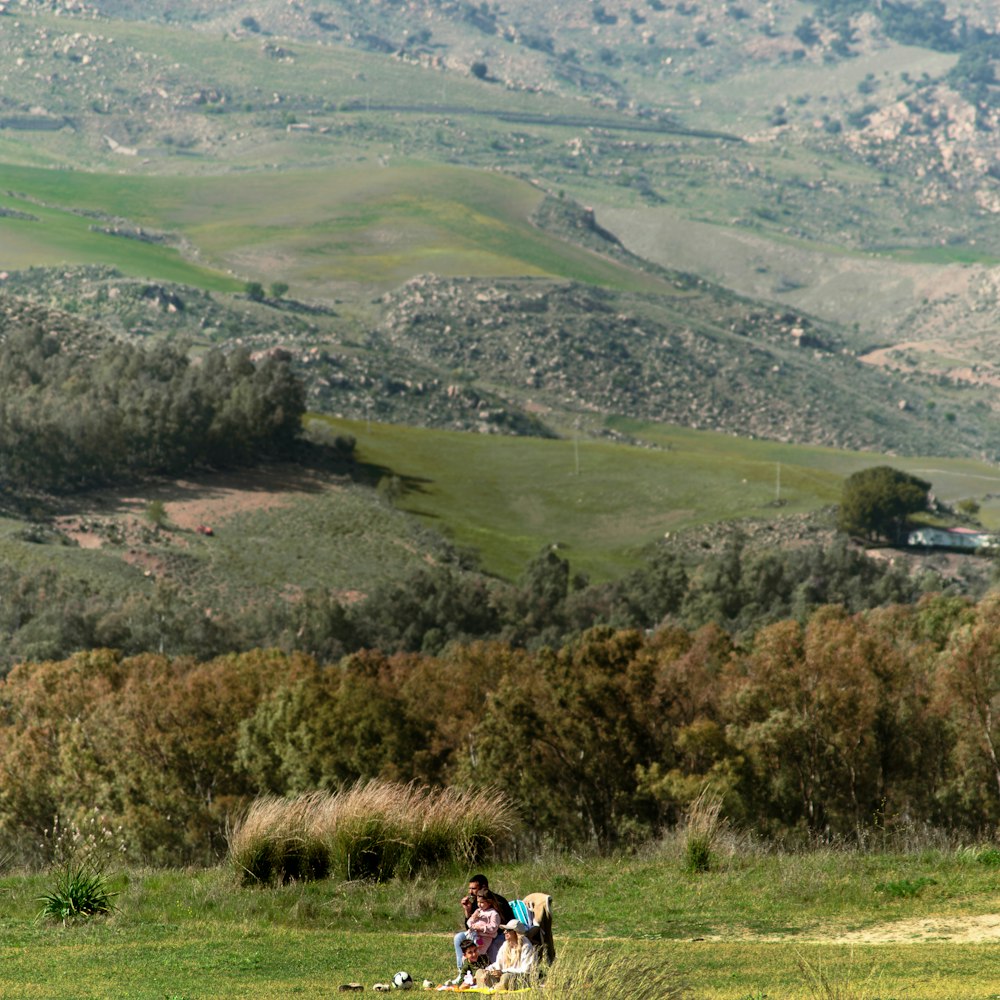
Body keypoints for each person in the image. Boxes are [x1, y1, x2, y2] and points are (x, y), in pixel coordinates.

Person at [453, 873, 514, 967]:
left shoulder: (498, 902)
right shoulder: (477, 903)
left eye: (473, 888)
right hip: (479, 935)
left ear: (484, 887)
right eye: (469, 888)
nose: (470, 892)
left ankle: (489, 969)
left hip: (498, 933)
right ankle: (462, 970)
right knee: (459, 938)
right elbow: (468, 926)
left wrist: (481, 929)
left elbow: (499, 926)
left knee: (489, 945)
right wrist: (467, 910)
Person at [475, 919, 536, 991]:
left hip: (520, 978)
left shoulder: (526, 946)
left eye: (508, 930)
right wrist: (487, 970)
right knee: (479, 972)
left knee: (505, 977)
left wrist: (504, 972)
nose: (504, 932)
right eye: (505, 930)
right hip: (503, 975)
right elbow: (498, 964)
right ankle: (493, 988)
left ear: (516, 932)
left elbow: (525, 970)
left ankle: (494, 988)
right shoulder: (505, 945)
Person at [466, 890, 500, 958]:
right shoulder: (478, 911)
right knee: (468, 951)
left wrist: (480, 928)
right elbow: (468, 922)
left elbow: (493, 928)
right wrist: (473, 918)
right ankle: (468, 965)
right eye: (478, 902)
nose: (479, 904)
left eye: (482, 902)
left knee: (478, 951)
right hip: (473, 935)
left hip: (484, 937)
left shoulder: (493, 913)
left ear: (489, 902)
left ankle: (480, 963)